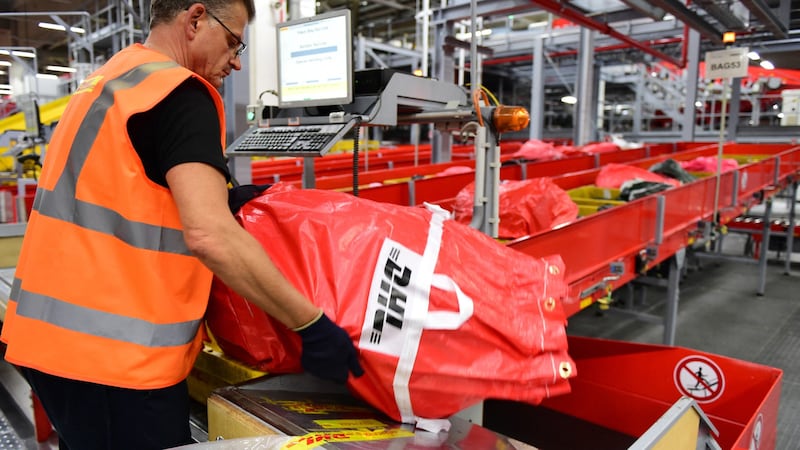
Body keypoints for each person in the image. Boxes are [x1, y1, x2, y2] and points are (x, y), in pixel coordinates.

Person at [0, 1, 363, 448]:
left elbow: (121, 181)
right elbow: (210, 236)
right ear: (195, 20)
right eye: (233, 41)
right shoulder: (179, 92)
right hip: (114, 359)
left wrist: (219, 194)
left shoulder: (111, 79)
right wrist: (310, 324)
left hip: (51, 343)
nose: (237, 59)